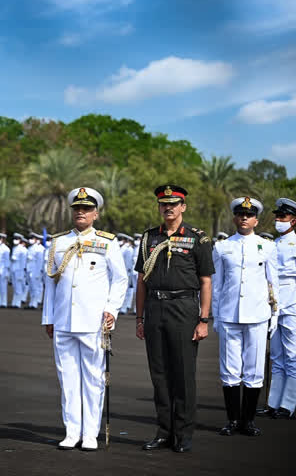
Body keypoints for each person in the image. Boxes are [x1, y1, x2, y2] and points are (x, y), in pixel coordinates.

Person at [43, 187, 127, 451]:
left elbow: (121, 279)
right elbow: (50, 283)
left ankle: (90, 433)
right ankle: (72, 431)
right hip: (63, 320)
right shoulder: (58, 243)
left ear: (96, 213)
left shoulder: (107, 242)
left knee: (92, 378)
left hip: (93, 321)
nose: (81, 212)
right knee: (67, 378)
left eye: (87, 209)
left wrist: (112, 309)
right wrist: (48, 318)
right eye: (77, 208)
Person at [135, 185, 214, 453]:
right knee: (159, 374)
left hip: (183, 309)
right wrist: (139, 317)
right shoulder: (148, 239)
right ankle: (164, 432)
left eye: (173, 203)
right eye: (163, 204)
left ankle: (183, 433)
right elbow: (141, 280)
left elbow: (205, 281)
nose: (168, 208)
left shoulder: (197, 239)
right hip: (155, 308)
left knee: (182, 374)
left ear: (183, 207)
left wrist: (203, 319)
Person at [212, 196, 279, 436]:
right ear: (234, 218)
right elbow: (217, 285)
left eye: (249, 215)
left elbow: (274, 283)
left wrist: (275, 315)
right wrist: (216, 316)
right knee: (230, 369)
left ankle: (248, 421)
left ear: (256, 220)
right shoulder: (222, 247)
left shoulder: (268, 247)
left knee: (254, 370)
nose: (244, 218)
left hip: (258, 315)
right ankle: (232, 420)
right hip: (230, 314)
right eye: (240, 214)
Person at [267, 197, 296, 418]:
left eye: (283, 217)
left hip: (292, 300)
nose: (278, 220)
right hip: (274, 302)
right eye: (277, 216)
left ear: (293, 220)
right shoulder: (274, 243)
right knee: (276, 356)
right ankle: (273, 403)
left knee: (293, 355)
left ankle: (289, 404)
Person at [26, 232, 45, 309]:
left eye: (32, 238)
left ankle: (34, 303)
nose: (30, 240)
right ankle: (31, 303)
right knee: (31, 287)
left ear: (36, 239)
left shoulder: (39, 249)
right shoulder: (30, 248)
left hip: (35, 271)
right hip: (29, 270)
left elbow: (40, 262)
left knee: (35, 287)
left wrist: (38, 272)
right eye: (30, 238)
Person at [118, 234, 135, 315]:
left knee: (127, 290)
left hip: (126, 271)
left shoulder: (128, 249)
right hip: (120, 271)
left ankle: (124, 308)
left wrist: (127, 272)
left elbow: (128, 262)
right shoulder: (121, 248)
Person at [10, 234, 28, 308]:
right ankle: (14, 303)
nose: (15, 240)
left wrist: (21, 273)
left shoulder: (23, 250)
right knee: (15, 288)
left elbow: (23, 263)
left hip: (19, 271)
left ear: (20, 240)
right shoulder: (14, 248)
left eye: (17, 239)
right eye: (14, 239)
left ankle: (17, 303)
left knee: (19, 288)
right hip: (14, 270)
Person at [0, 233, 11, 307]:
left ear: (2, 239)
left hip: (3, 270)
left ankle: (3, 302)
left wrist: (7, 271)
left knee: (3, 287)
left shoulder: (6, 249)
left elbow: (7, 261)